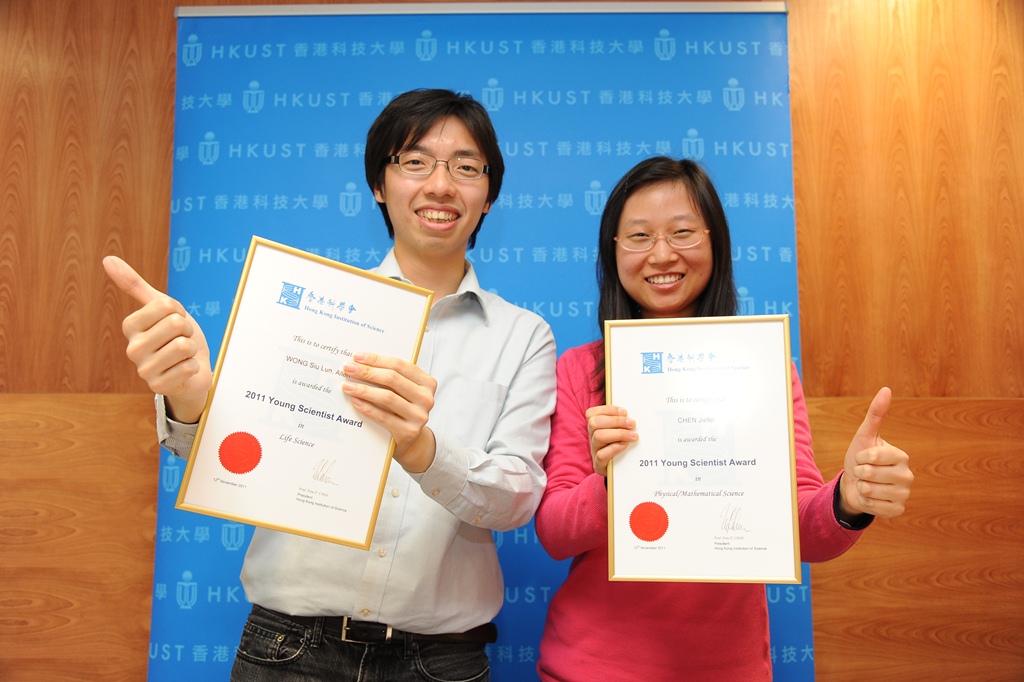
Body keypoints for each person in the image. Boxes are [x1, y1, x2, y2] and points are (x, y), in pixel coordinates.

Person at [104, 88, 556, 681]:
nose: (441, 185)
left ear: (488, 195)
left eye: (466, 168)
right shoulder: (309, 306)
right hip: (287, 649)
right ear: (379, 183)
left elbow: (518, 498)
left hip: (440, 662)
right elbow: (237, 458)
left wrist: (422, 449)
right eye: (414, 162)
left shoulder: (523, 336)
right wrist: (190, 397)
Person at [533, 157, 914, 681]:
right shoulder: (581, 369)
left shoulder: (763, 364)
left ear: (715, 243)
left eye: (683, 232)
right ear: (613, 253)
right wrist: (608, 479)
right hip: (591, 667)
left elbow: (804, 532)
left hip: (727, 668)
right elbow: (554, 533)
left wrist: (849, 497)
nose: (662, 254)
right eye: (639, 236)